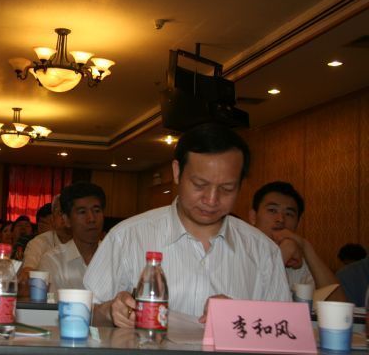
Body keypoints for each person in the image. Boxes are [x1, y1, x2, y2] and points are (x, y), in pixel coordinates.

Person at [83, 123, 290, 327]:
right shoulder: (127, 237)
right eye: (200, 185)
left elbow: (286, 329)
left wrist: (242, 316)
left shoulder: (263, 251)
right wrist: (109, 311)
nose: (211, 200)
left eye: (227, 189)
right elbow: (83, 313)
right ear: (177, 172)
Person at [249, 181, 347, 301]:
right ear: (253, 217)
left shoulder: (296, 262)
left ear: (298, 223)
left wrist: (306, 247)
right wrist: (282, 255)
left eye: (289, 214)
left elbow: (338, 304)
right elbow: (248, 301)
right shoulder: (238, 251)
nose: (281, 219)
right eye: (272, 210)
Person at [39, 182, 105, 293]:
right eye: (82, 212)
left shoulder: (117, 257)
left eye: (97, 211)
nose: (91, 219)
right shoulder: (53, 261)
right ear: (67, 220)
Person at [17, 195, 72, 293]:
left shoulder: (89, 243)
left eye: (69, 212)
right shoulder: (39, 243)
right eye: (60, 212)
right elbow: (27, 273)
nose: (65, 217)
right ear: (53, 218)